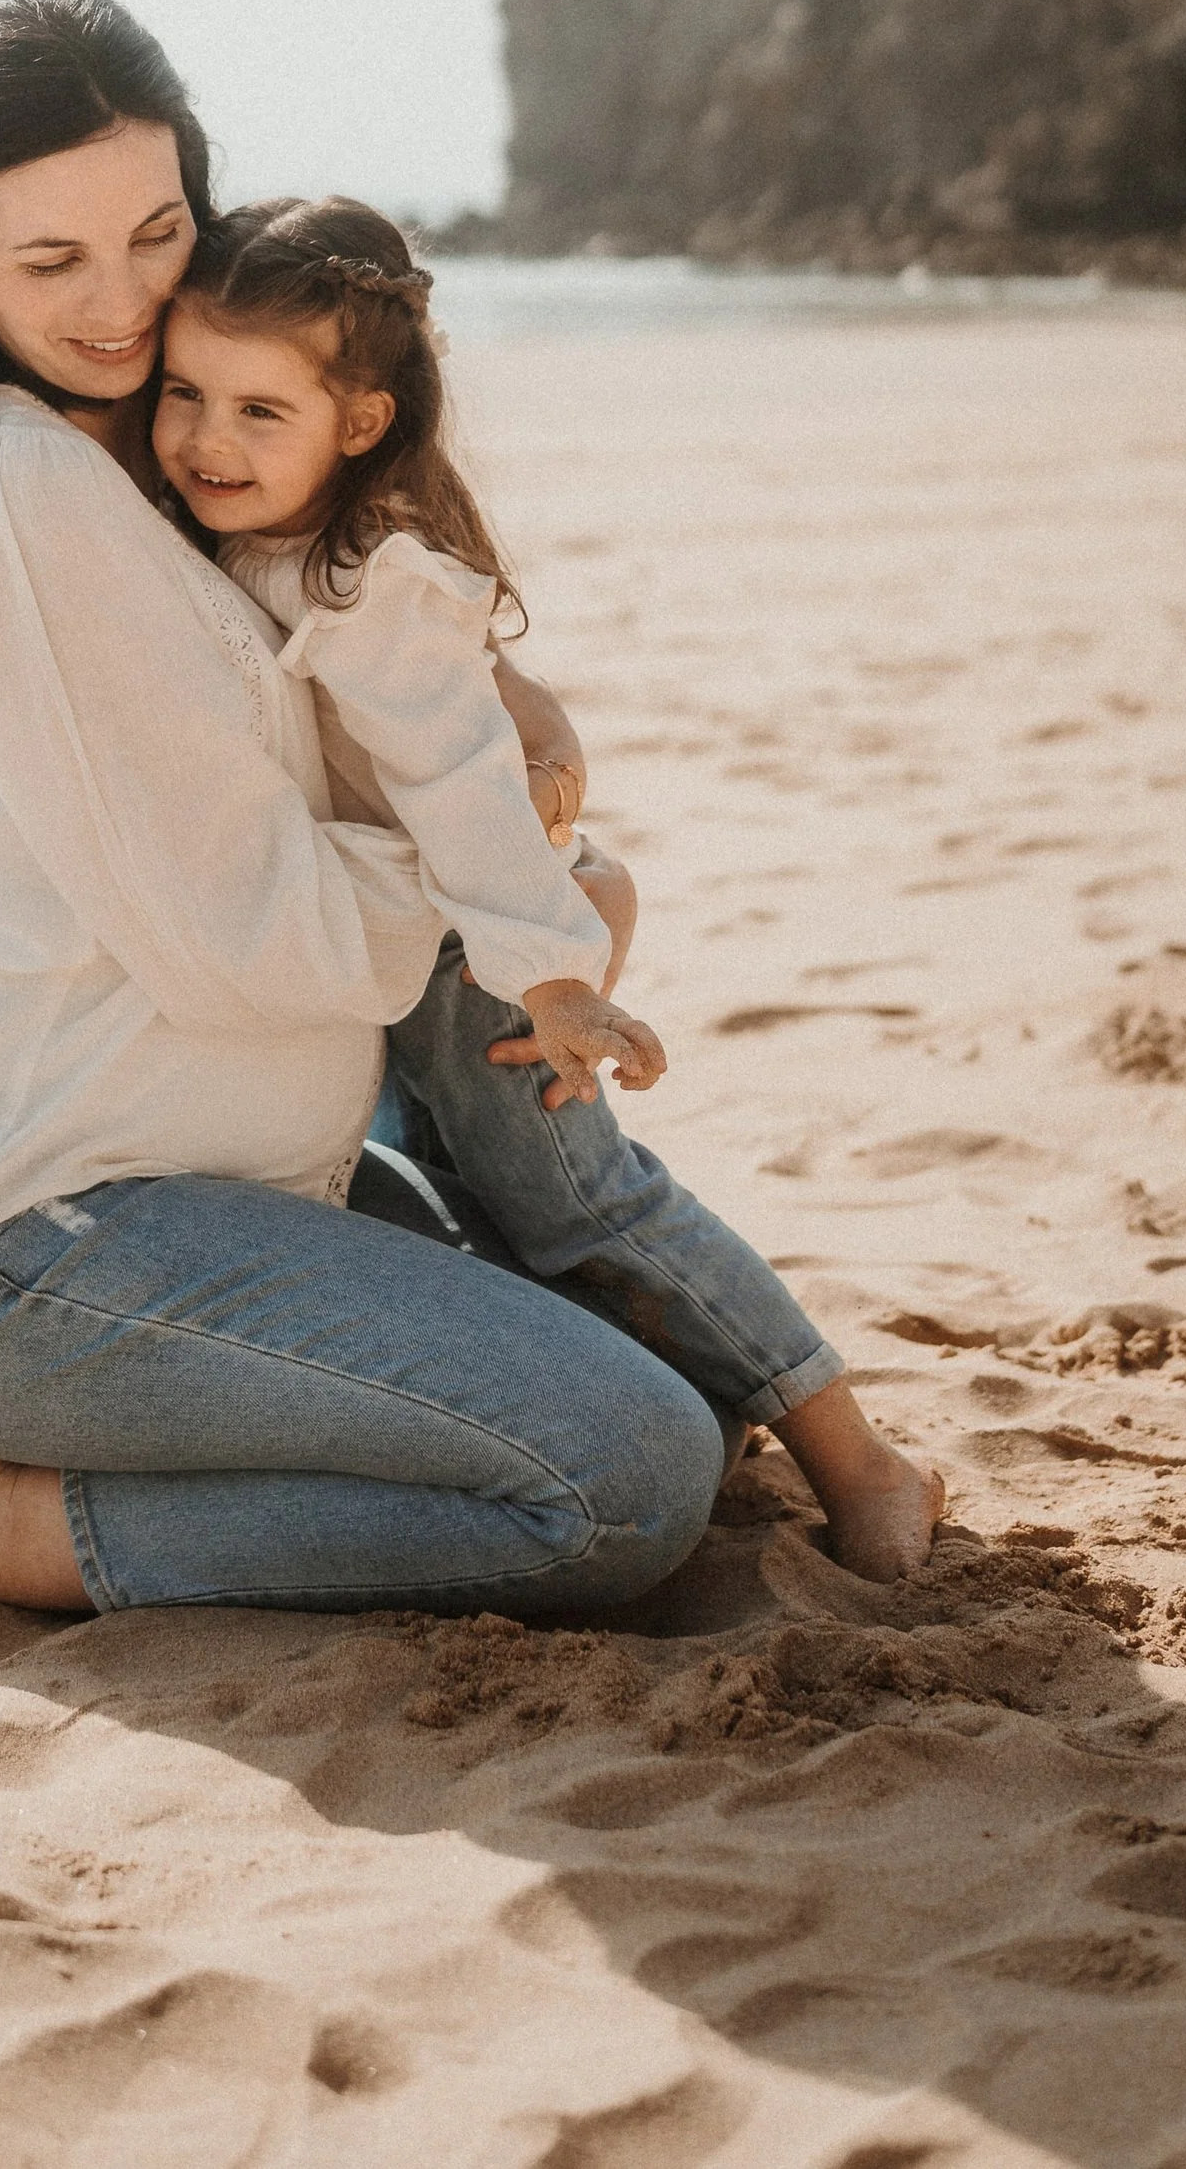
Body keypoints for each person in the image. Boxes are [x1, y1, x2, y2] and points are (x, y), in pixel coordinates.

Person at [0, 0, 939, 1624]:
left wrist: (519, 771)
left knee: (657, 1384)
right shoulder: (27, 490)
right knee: (625, 1480)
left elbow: (342, 715)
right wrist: (514, 882)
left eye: (157, 234)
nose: (121, 306)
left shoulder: (165, 452)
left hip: (190, 1183)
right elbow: (249, 942)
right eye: (53, 262)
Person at [153, 191, 940, 1566]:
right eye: (185, 393)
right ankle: (696, 1395)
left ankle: (863, 1462)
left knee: (593, 1201)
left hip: (488, 963)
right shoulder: (272, 536)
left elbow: (465, 784)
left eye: (258, 412)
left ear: (359, 424)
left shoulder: (364, 583)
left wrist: (558, 976)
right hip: (433, 950)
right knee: (503, 1211)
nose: (208, 439)